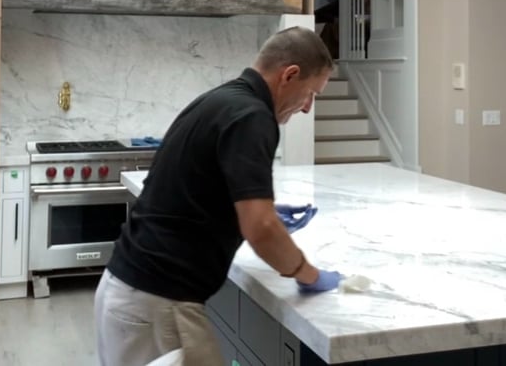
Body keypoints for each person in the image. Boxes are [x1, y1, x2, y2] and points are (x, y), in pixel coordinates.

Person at [94, 26, 343, 366]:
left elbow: (196, 188)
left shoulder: (222, 99)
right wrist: (308, 274)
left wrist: (240, 211)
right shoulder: (254, 117)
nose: (307, 109)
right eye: (311, 93)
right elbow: (261, 229)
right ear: (290, 75)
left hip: (132, 292)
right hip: (159, 303)